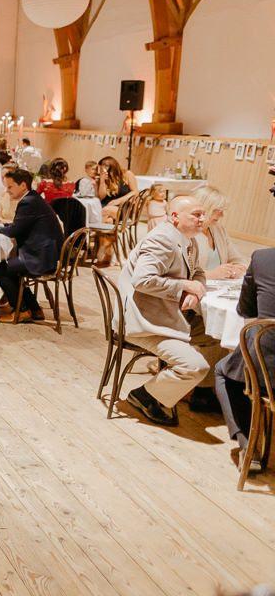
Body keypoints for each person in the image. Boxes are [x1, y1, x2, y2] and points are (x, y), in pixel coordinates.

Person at [118, 196, 225, 425]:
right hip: (146, 322)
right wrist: (185, 286)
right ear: (175, 217)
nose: (202, 219)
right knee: (195, 366)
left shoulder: (190, 240)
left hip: (168, 314)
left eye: (203, 215)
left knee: (219, 337)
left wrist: (195, 291)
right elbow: (143, 280)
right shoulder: (162, 240)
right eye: (196, 215)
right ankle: (146, 395)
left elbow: (198, 273)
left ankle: (202, 394)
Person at [215, 248, 275, 467]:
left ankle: (248, 447)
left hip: (270, 372)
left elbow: (246, 308)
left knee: (226, 371)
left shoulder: (264, 258)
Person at [0, 168, 63, 323]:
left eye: (10, 187)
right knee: (11, 268)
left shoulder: (28, 202)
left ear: (23, 185)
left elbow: (14, 231)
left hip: (41, 258)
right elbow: (21, 225)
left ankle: (22, 310)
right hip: (48, 254)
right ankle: (34, 308)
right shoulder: (33, 199)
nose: (7, 191)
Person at [190, 185, 246, 280]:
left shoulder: (218, 229)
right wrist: (211, 274)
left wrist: (236, 270)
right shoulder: (187, 233)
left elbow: (238, 260)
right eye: (218, 210)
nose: (222, 215)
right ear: (204, 208)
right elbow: (181, 275)